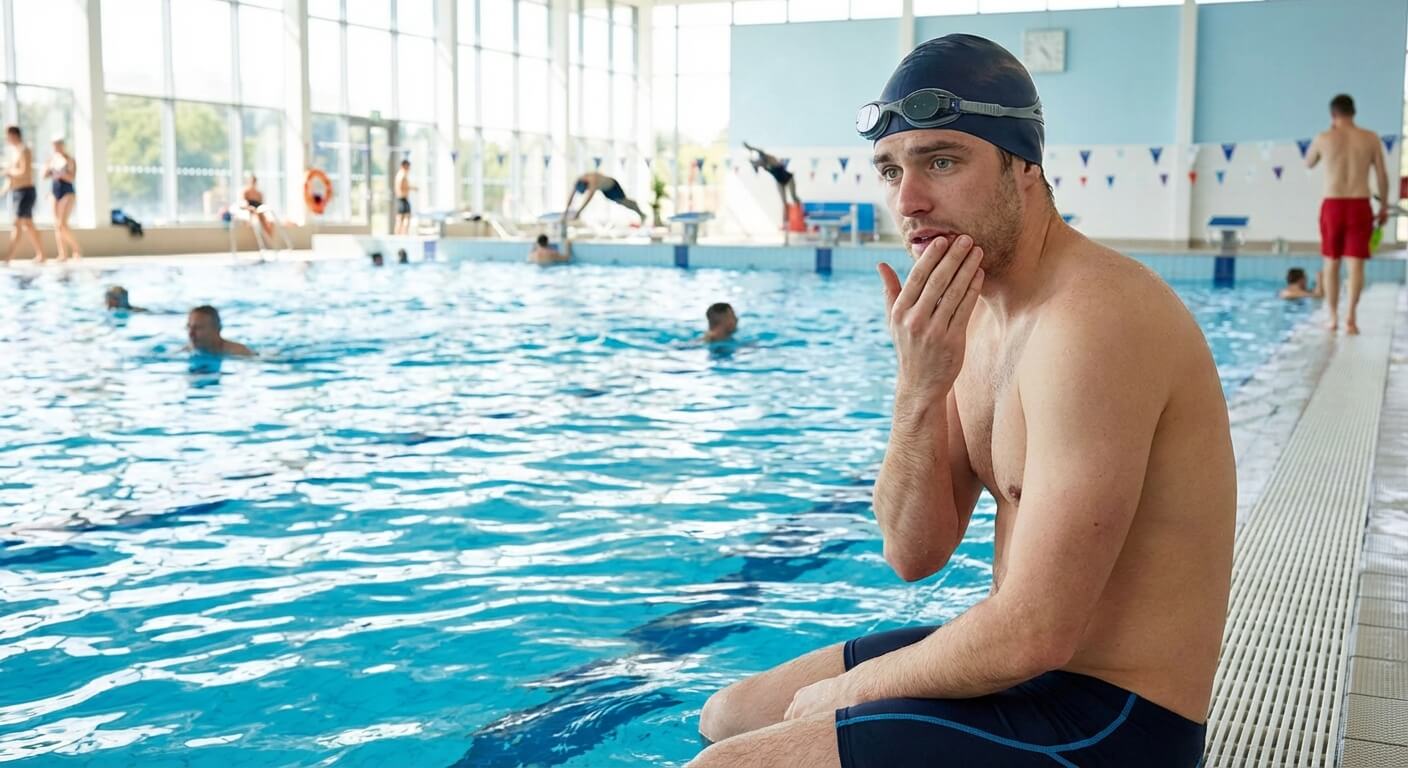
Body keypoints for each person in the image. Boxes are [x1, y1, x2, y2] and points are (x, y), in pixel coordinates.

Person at [690, 34, 1232, 768]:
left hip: (1113, 721)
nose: (907, 201)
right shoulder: (973, 313)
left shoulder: (1094, 322)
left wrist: (856, 693)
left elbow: (1036, 632)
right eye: (890, 170)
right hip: (1026, 672)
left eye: (942, 161)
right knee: (731, 715)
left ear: (1024, 167)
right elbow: (913, 554)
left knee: (727, 767)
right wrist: (918, 385)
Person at [1305, 94, 1391, 335]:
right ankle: (1351, 318)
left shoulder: (1324, 138)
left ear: (1333, 115)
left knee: (1331, 262)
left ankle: (1332, 317)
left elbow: (1308, 162)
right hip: (1359, 204)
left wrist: (1324, 145)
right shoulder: (1370, 138)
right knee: (1356, 266)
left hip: (1333, 204)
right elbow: (1383, 176)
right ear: (1354, 113)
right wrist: (1383, 206)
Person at [3, 126, 44, 265]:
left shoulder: (24, 150)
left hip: (25, 192)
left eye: (7, 135)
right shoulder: (14, 153)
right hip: (17, 191)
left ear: (14, 135)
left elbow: (25, 173)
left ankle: (8, 257)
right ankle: (41, 254)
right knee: (28, 224)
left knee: (17, 223)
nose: (6, 138)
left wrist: (9, 172)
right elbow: (11, 179)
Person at [744, 142, 803, 228]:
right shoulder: (762, 165)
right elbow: (755, 167)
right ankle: (785, 224)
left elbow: (760, 151)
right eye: (757, 163)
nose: (758, 163)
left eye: (758, 162)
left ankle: (801, 213)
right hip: (779, 182)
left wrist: (750, 148)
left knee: (794, 197)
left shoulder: (768, 158)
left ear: (761, 159)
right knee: (784, 203)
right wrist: (752, 163)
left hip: (789, 179)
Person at [43, 138, 81, 261]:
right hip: (55, 192)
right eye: (54, 146)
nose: (56, 148)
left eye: (58, 145)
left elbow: (71, 178)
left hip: (67, 192)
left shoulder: (69, 159)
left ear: (63, 146)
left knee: (62, 223)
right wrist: (50, 165)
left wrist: (60, 170)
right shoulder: (51, 160)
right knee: (56, 225)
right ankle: (62, 253)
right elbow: (44, 176)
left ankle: (76, 249)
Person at [564, 171, 646, 224]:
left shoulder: (592, 180)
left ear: (587, 184)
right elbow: (571, 197)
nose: (588, 190)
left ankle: (640, 213)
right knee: (620, 202)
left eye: (587, 189)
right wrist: (565, 213)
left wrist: (579, 212)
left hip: (612, 186)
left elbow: (588, 199)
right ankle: (640, 212)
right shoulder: (578, 181)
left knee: (623, 202)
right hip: (605, 189)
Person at [185, 305, 255, 357]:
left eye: (198, 328)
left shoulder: (239, 352)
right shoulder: (186, 350)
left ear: (216, 329)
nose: (191, 333)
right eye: (189, 327)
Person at [241, 175, 274, 239]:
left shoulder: (259, 194)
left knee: (270, 222)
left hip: (260, 212)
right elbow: (243, 205)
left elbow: (262, 205)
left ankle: (269, 238)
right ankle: (267, 239)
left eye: (254, 181)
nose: (253, 183)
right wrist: (251, 209)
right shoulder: (245, 192)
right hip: (251, 212)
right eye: (251, 181)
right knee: (260, 218)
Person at [395, 159, 414, 235]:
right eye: (408, 166)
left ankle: (401, 234)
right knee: (402, 218)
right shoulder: (402, 175)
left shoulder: (400, 174)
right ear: (404, 166)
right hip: (402, 199)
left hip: (403, 198)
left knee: (402, 218)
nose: (409, 168)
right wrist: (411, 188)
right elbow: (401, 187)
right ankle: (402, 234)